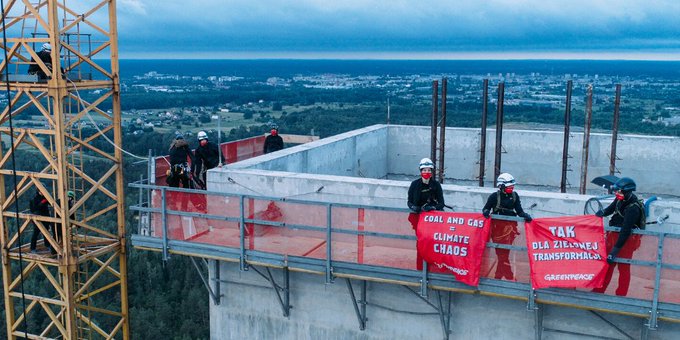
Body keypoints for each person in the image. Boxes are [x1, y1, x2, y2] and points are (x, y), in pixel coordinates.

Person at [592, 177, 644, 296]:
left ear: (628, 192)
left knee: (623, 269)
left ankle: (621, 295)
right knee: (608, 267)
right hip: (613, 238)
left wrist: (614, 251)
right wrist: (602, 213)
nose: (617, 193)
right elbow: (611, 209)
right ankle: (599, 291)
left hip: (625, 242)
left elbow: (625, 231)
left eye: (620, 191)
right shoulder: (620, 199)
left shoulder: (633, 209)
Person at [482, 173, 532, 280]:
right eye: (509, 187)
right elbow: (486, 208)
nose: (511, 189)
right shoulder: (494, 197)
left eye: (512, 187)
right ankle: (506, 276)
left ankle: (499, 277)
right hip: (497, 230)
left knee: (503, 255)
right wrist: (486, 212)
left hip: (509, 230)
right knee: (501, 254)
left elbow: (519, 211)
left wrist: (526, 216)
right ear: (502, 186)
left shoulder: (514, 196)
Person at [407, 157, 445, 229]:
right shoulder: (414, 184)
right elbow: (409, 202)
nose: (426, 172)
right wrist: (414, 207)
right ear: (421, 171)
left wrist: (433, 208)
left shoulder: (436, 185)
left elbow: (441, 203)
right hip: (418, 217)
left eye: (429, 170)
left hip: (432, 219)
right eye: (424, 170)